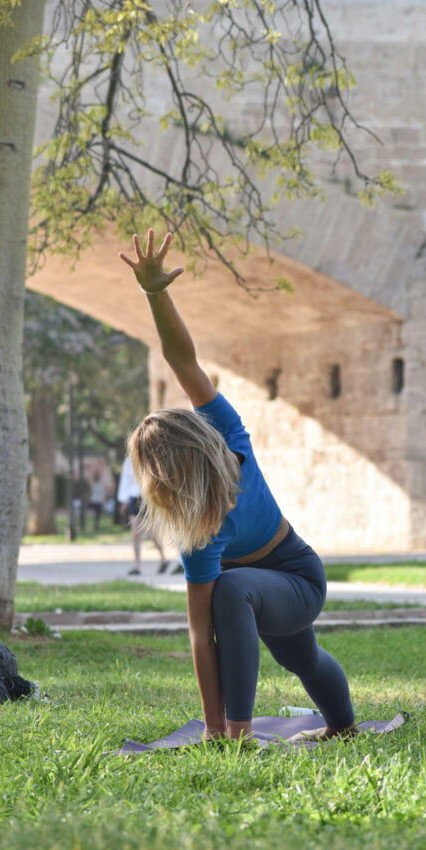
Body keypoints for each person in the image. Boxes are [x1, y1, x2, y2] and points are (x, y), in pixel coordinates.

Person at [119, 229, 357, 743]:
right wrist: (210, 725)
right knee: (300, 656)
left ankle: (244, 730)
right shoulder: (199, 532)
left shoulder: (232, 438)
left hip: (297, 574)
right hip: (261, 592)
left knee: (242, 598)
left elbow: (183, 362)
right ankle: (341, 727)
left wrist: (157, 294)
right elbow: (202, 638)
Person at [116, 454, 168, 576]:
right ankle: (137, 566)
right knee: (135, 532)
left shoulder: (151, 457)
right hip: (134, 498)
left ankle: (163, 558)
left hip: (148, 498)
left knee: (152, 534)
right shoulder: (129, 461)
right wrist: (123, 500)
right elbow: (126, 480)